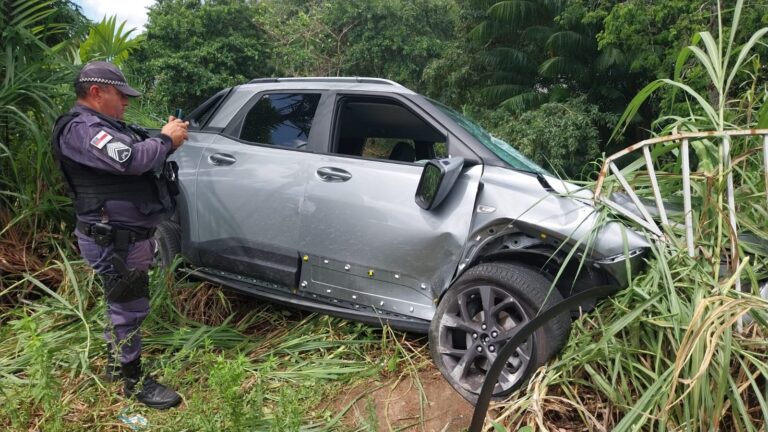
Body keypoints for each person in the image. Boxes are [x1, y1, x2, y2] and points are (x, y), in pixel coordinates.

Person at [51, 61, 188, 409]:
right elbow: (129, 159)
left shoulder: (104, 126)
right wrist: (165, 139)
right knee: (129, 308)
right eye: (121, 95)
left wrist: (159, 139)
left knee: (123, 305)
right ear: (96, 92)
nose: (126, 102)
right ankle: (133, 381)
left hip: (123, 237)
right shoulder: (83, 129)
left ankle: (117, 363)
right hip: (112, 240)